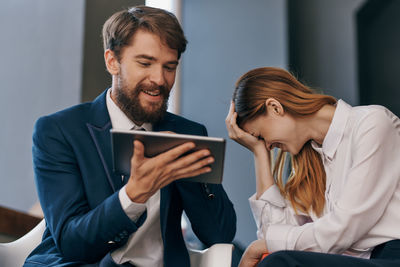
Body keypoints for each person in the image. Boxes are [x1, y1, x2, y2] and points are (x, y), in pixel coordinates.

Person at [24, 6, 236, 267]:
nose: (159, 79)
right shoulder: (59, 131)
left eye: (169, 67)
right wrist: (134, 195)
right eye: (145, 63)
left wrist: (186, 167)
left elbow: (219, 234)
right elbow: (71, 243)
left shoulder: (189, 133)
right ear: (112, 61)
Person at [225, 67, 400, 267]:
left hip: (392, 256)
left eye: (260, 137)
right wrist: (259, 154)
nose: (267, 146)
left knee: (280, 262)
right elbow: (274, 236)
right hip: (351, 260)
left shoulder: (372, 123)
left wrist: (261, 246)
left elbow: (345, 227)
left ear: (275, 107)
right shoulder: (312, 157)